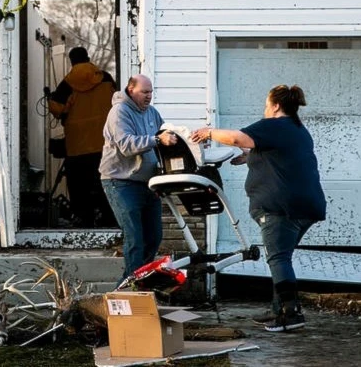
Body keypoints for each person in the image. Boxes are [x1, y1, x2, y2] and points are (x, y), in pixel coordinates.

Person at [190, 84, 326, 333]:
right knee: (282, 257)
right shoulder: (298, 130)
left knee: (278, 258)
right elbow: (278, 155)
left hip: (280, 207)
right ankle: (278, 308)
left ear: (275, 105)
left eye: (266, 104)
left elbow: (235, 138)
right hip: (307, 206)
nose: (265, 108)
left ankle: (291, 313)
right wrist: (249, 156)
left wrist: (208, 132)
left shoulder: (274, 125)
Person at [99, 74, 179, 283]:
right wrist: (156, 139)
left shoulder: (152, 113)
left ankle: (133, 283)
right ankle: (134, 289)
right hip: (120, 182)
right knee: (135, 237)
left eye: (151, 92)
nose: (149, 96)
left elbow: (164, 139)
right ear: (131, 90)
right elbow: (126, 145)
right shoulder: (119, 112)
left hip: (149, 183)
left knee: (153, 237)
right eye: (145, 92)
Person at [48, 47, 117, 227]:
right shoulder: (106, 78)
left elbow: (56, 108)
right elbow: (118, 102)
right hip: (104, 142)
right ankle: (108, 218)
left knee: (79, 185)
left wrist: (50, 99)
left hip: (77, 144)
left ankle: (84, 218)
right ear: (88, 58)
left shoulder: (68, 83)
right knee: (105, 181)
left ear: (72, 61)